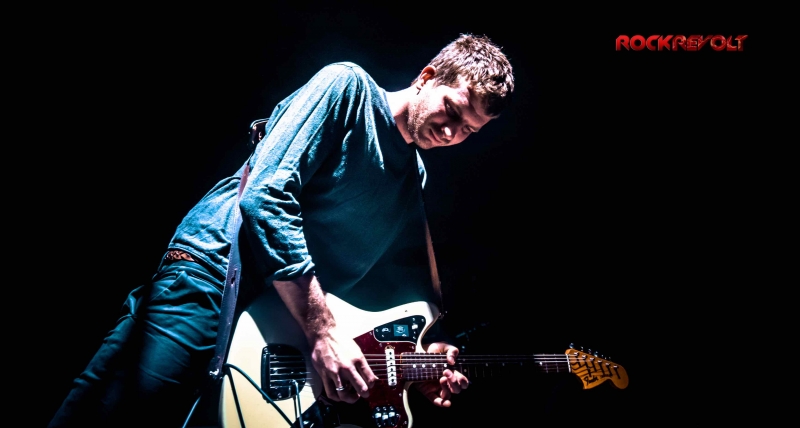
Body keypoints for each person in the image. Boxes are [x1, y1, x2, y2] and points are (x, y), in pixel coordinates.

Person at [49, 33, 514, 427]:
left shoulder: (414, 179)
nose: (452, 133)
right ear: (428, 76)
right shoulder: (348, 87)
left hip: (278, 334)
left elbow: (373, 293)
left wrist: (419, 355)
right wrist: (323, 331)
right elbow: (266, 195)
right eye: (453, 110)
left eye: (469, 130)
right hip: (212, 281)